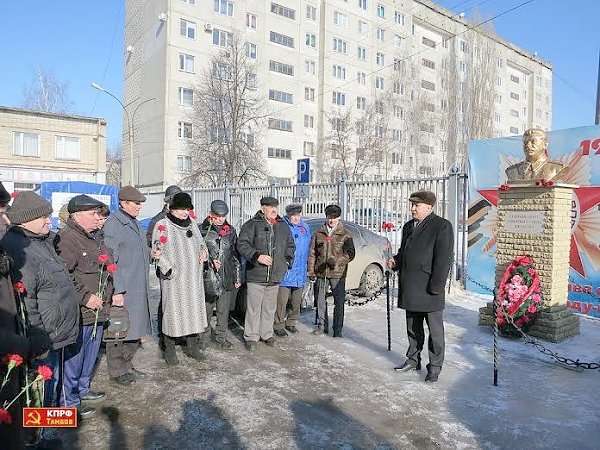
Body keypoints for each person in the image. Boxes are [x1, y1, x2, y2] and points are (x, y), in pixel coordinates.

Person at [1, 192, 80, 406]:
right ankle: (41, 437)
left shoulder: (40, 241)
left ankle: (51, 427)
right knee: (40, 393)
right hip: (44, 339)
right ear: (25, 219)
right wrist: (38, 341)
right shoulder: (21, 249)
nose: (49, 220)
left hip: (53, 333)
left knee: (49, 389)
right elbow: (26, 302)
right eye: (43, 217)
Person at [55, 195, 114, 418]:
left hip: (98, 310)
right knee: (74, 357)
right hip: (81, 310)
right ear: (77, 216)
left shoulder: (93, 237)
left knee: (89, 354)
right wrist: (86, 297)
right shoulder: (67, 239)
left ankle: (82, 389)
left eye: (100, 215)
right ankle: (68, 401)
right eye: (93, 214)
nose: (98, 219)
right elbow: (65, 275)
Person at [387, 190, 453, 383]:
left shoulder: (441, 226)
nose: (413, 208)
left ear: (429, 207)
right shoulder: (408, 226)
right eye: (412, 204)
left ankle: (435, 367)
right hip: (411, 286)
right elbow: (404, 252)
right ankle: (413, 359)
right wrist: (396, 262)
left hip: (429, 288)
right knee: (413, 328)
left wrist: (436, 287)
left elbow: (443, 260)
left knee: (435, 332)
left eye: (417, 205)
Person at [103, 186, 156, 385]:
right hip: (124, 288)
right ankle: (117, 371)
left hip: (137, 285)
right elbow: (110, 259)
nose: (139, 207)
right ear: (123, 203)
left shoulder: (133, 222)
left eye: (140, 204)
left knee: (134, 328)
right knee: (119, 329)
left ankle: (127, 364)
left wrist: (151, 253)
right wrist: (117, 289)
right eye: (136, 203)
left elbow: (138, 248)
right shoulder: (114, 224)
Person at [0, 245, 51, 450]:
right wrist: (26, 345)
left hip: (11, 357)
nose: (5, 218)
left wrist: (27, 331)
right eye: (2, 211)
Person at [152, 193, 209, 365]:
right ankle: (169, 350)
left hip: (193, 279)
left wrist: (204, 252)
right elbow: (156, 251)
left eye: (187, 209)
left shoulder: (192, 224)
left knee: (193, 313)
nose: (185, 212)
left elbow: (201, 243)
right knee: (172, 314)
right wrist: (168, 270)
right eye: (181, 209)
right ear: (172, 209)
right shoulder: (162, 225)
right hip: (174, 280)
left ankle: (192, 347)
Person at [237, 196, 295, 351]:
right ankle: (251, 337)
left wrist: (287, 260)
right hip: (256, 274)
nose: (274, 210)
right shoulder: (252, 225)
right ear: (262, 208)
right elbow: (242, 244)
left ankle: (267, 334)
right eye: (270, 207)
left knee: (270, 308)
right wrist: (257, 256)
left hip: (275, 275)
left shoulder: (282, 226)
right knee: (254, 308)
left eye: (276, 207)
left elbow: (290, 245)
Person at [307, 204, 355, 338]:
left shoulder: (345, 235)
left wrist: (337, 261)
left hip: (338, 274)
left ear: (339, 218)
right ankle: (322, 326)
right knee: (320, 301)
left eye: (334, 217)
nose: (331, 220)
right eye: (329, 217)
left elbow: (350, 254)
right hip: (321, 272)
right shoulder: (318, 233)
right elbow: (312, 254)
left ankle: (337, 329)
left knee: (339, 302)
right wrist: (311, 271)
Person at [199, 199, 241, 350]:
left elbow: (236, 255)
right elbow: (197, 254)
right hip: (208, 277)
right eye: (217, 216)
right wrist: (209, 262)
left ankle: (221, 337)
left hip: (226, 276)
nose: (220, 219)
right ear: (211, 214)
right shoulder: (202, 230)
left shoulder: (231, 231)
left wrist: (237, 276)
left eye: (223, 216)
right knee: (207, 310)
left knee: (223, 311)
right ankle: (202, 338)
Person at [146, 185, 182, 352]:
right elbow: (151, 242)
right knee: (167, 302)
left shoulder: (182, 217)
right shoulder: (158, 220)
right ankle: (164, 335)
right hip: (166, 267)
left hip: (181, 267)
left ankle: (179, 333)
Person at [274, 203, 311, 336]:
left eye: (297, 215)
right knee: (281, 301)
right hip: (287, 269)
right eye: (293, 215)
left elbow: (309, 248)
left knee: (296, 301)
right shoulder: (282, 226)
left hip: (300, 270)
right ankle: (278, 324)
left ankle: (291, 322)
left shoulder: (305, 227)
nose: (295, 218)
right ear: (288, 215)